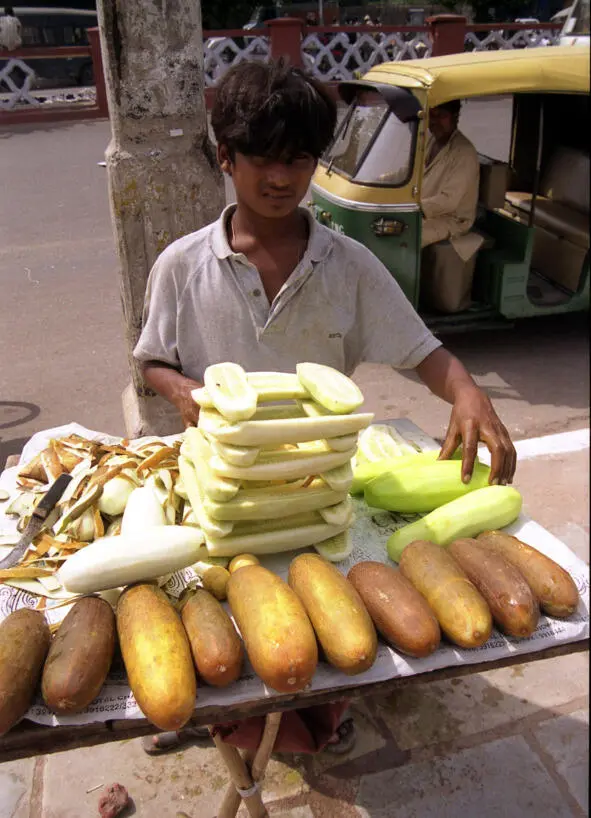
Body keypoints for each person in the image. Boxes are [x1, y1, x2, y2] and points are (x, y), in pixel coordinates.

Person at [134, 59, 516, 755]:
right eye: (261, 160)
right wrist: (184, 393)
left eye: (298, 160)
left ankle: (321, 718)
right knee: (231, 643)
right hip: (223, 497)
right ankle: (219, 719)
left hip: (316, 498)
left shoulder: (350, 266)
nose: (279, 179)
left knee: (323, 633)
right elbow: (153, 359)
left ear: (314, 164)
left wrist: (464, 390)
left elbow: (423, 351)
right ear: (226, 158)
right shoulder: (181, 266)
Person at [421, 99, 483, 262]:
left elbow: (449, 201)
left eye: (441, 116)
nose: (434, 121)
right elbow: (410, 172)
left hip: (451, 219)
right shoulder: (431, 140)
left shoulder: (464, 152)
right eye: (431, 115)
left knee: (405, 237)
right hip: (424, 212)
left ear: (455, 117)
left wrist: (414, 208)